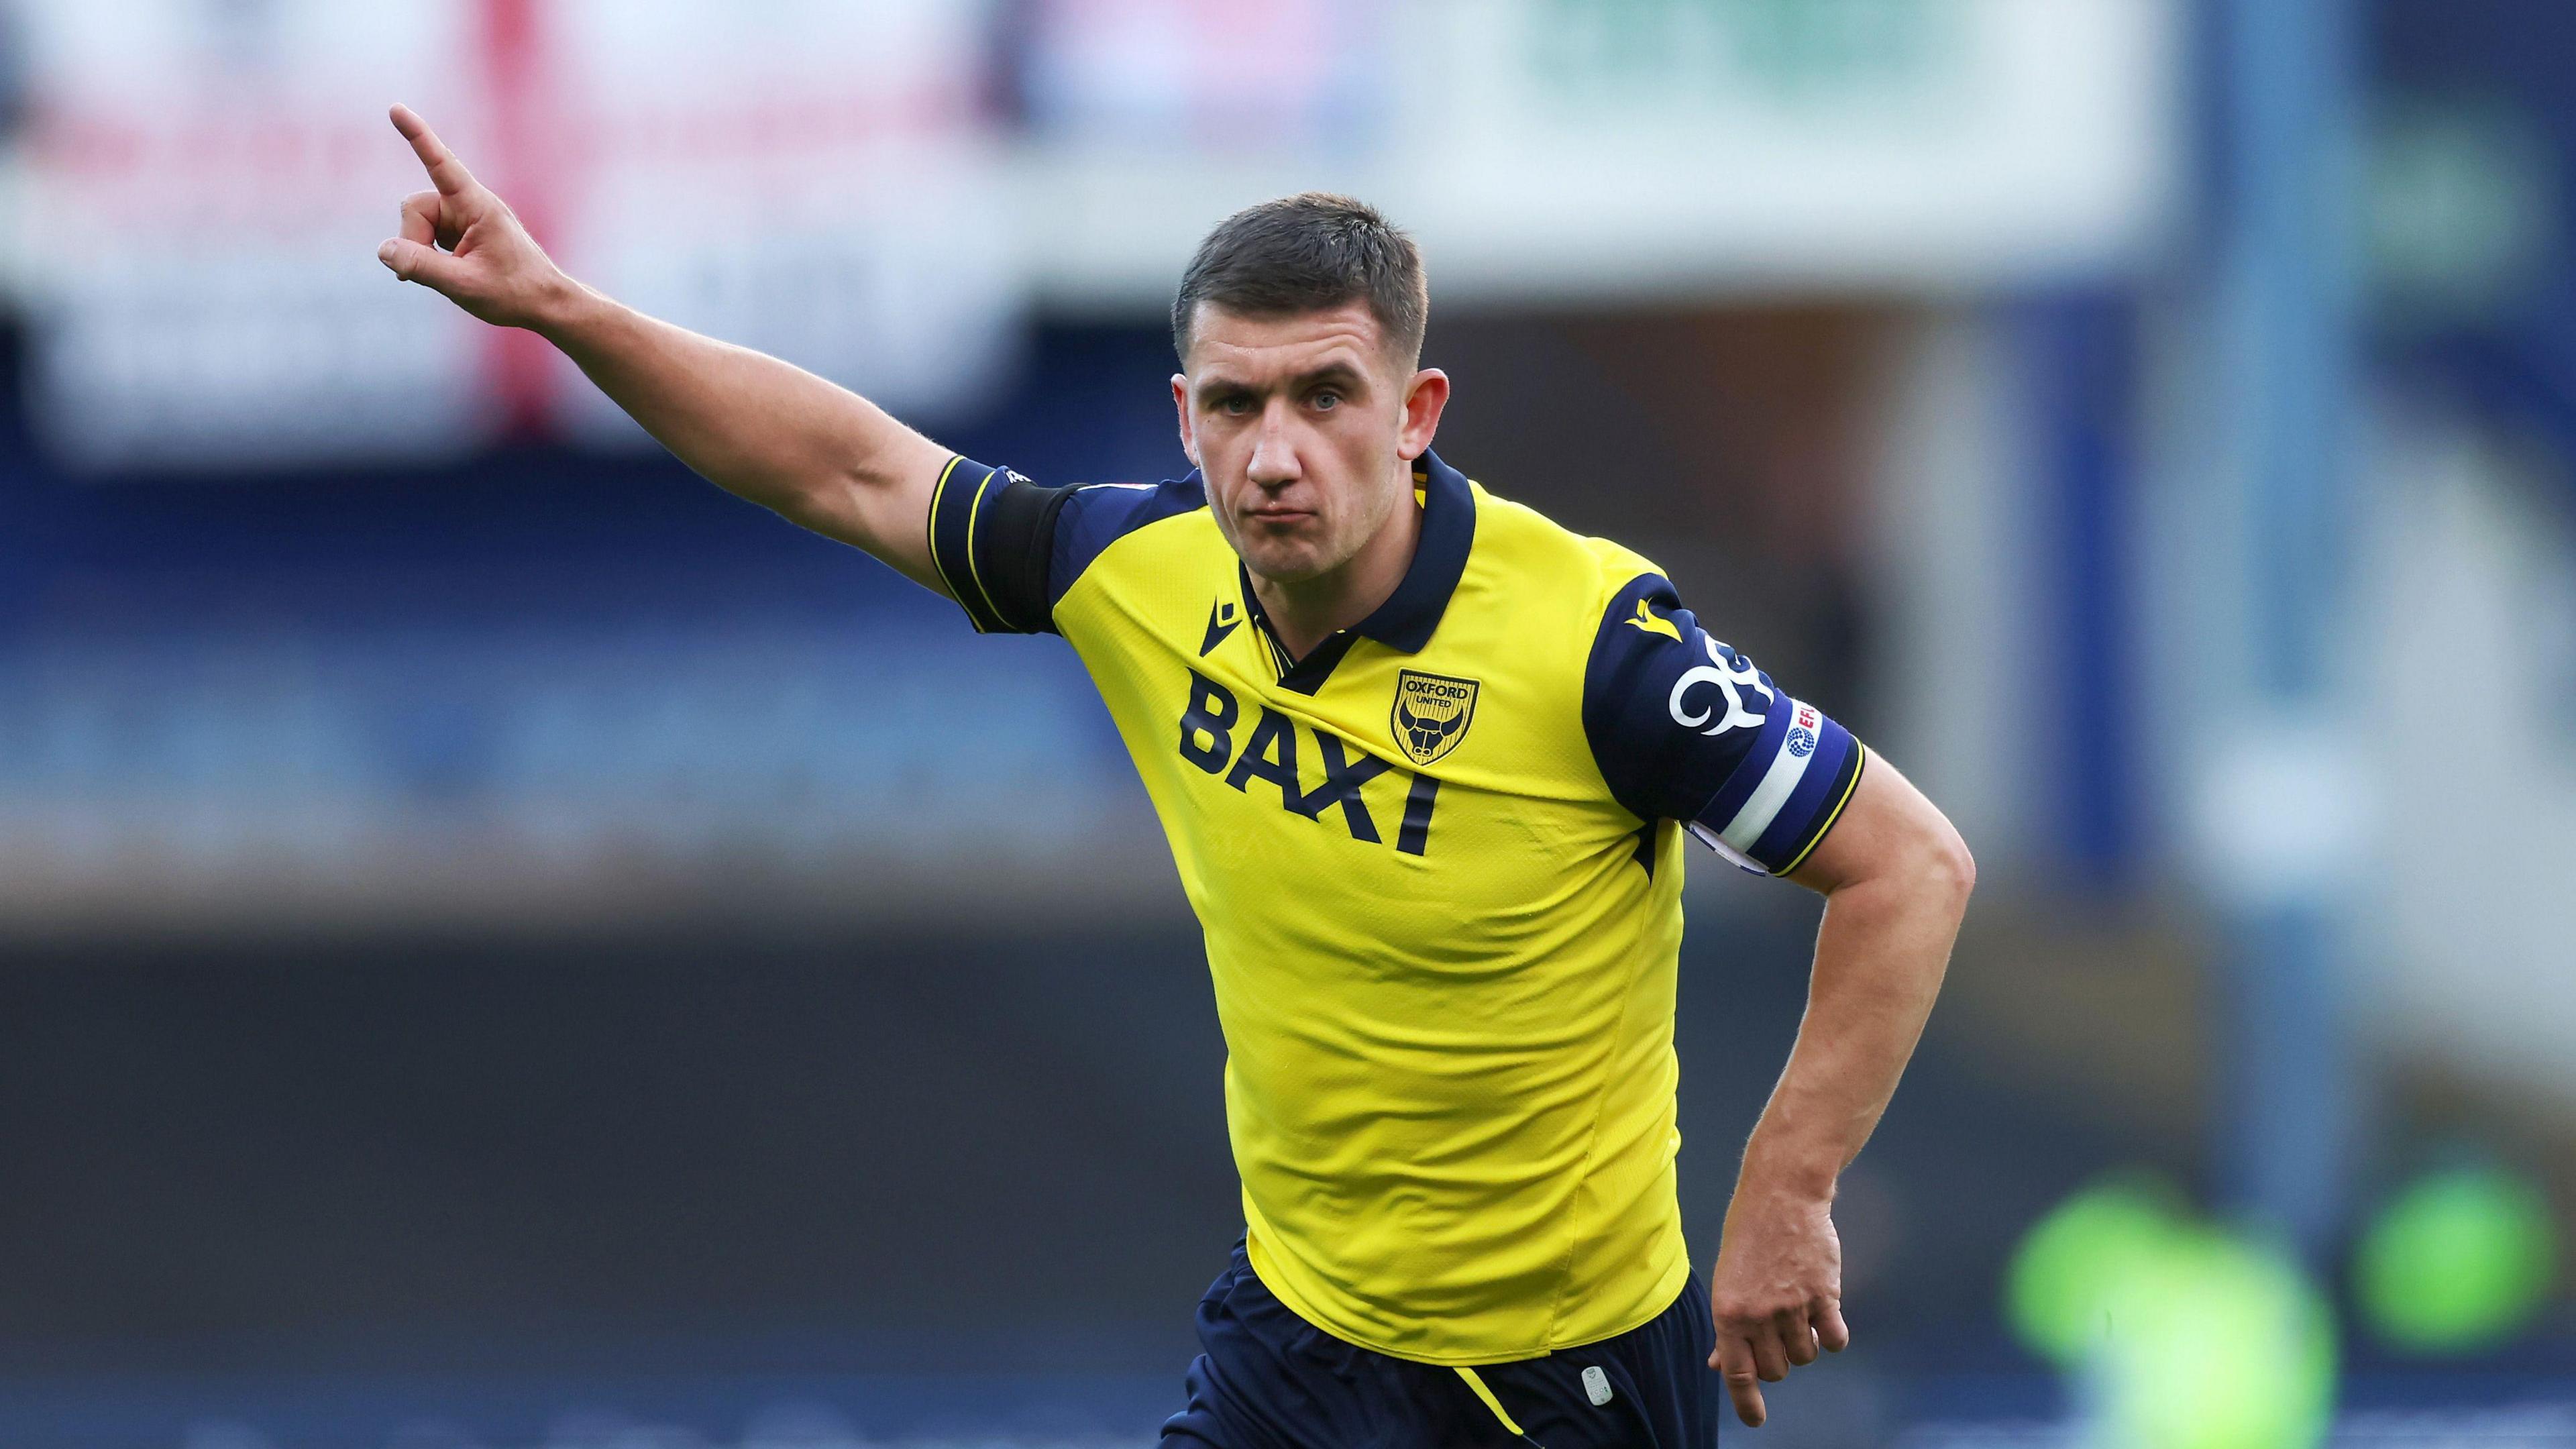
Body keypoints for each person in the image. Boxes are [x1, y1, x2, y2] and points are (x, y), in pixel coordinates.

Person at [375, 103, 1973, 1447]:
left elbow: (1909, 865)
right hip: (1296, 1342)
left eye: (1326, 398)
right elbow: (851, 465)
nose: (1278, 452)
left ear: (1415, 413)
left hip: (1559, 1380)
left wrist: (1787, 1190)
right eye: (1238, 404)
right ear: (1185, 420)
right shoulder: (1140, 567)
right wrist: (564, 310)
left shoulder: (1594, 646)